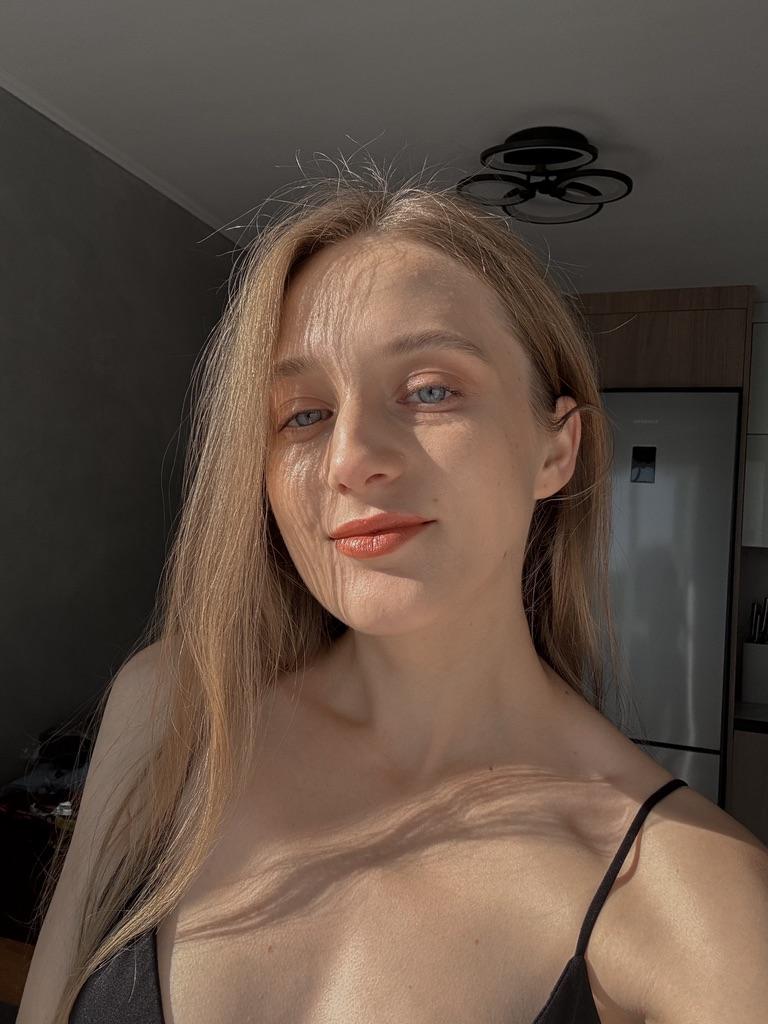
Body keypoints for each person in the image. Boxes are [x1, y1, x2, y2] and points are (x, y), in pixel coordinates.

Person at [20, 162, 768, 1024]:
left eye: (430, 390)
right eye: (302, 414)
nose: (349, 459)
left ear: (556, 449)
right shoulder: (171, 713)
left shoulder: (700, 908)